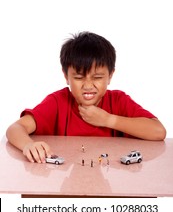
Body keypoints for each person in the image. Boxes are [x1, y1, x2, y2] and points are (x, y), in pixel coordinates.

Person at [6, 31, 166, 163]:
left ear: (110, 76)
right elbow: (15, 129)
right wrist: (28, 145)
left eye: (97, 77)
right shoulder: (57, 102)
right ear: (66, 76)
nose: (88, 85)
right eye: (79, 77)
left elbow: (158, 131)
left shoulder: (118, 100)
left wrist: (108, 120)